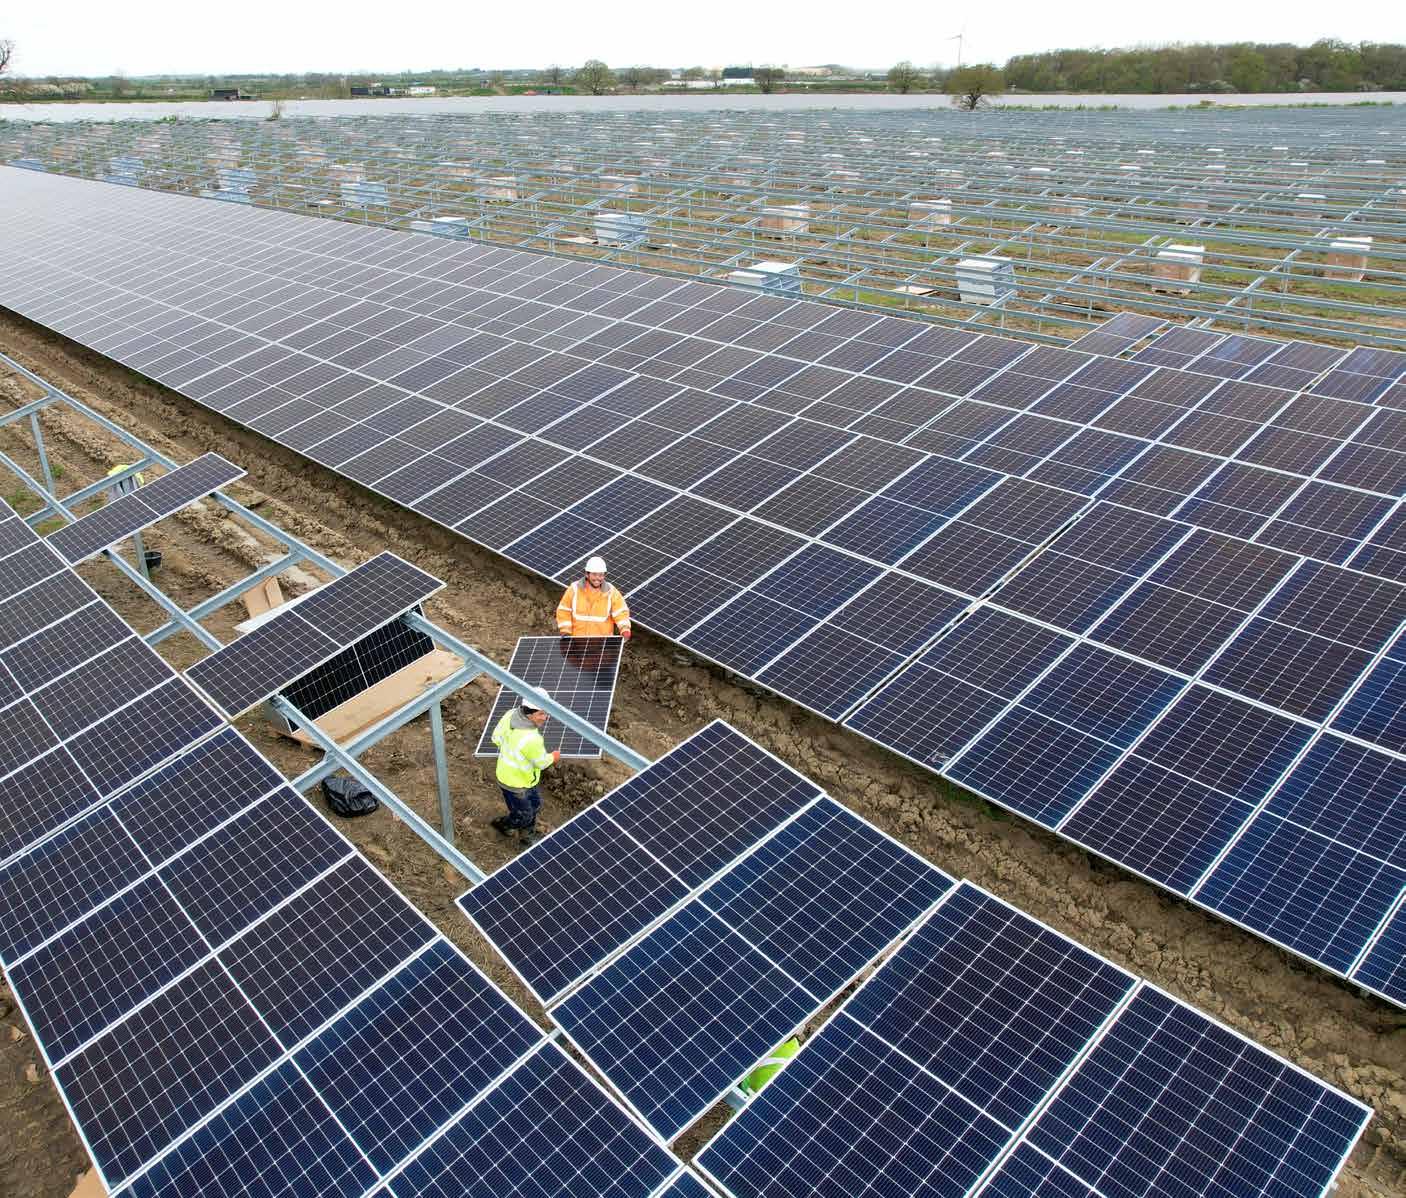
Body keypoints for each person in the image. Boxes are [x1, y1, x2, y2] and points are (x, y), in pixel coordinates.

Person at [490, 687, 560, 838]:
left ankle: (527, 831)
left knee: (535, 805)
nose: (546, 717)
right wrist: (554, 757)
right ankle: (505, 824)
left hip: (520, 778)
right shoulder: (531, 739)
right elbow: (542, 763)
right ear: (529, 713)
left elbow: (495, 738)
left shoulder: (510, 714)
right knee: (523, 815)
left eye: (546, 712)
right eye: (541, 713)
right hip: (514, 784)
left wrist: (511, 748)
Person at [556, 555, 632, 640]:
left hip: (602, 644)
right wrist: (565, 631)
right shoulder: (574, 589)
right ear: (587, 574)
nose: (597, 578)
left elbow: (621, 612)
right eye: (594, 574)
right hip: (577, 642)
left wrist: (625, 629)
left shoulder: (611, 592)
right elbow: (564, 610)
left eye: (601, 575)